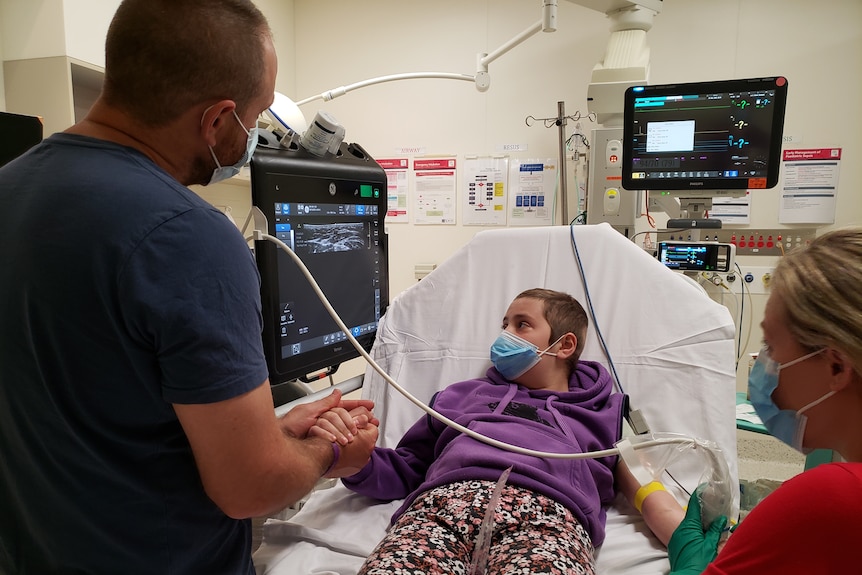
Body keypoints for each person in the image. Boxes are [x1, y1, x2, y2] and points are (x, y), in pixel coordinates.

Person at [0, 1, 377, 573]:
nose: (253, 136)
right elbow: (250, 488)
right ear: (218, 119)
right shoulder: (189, 236)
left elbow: (96, 413)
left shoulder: (11, 186)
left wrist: (268, 432)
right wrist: (332, 451)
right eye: (255, 118)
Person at [330, 288, 685, 575]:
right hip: (442, 507)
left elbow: (635, 475)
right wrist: (356, 461)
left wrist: (677, 529)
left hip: (547, 516)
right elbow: (407, 466)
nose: (505, 335)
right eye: (504, 324)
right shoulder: (461, 396)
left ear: (564, 345)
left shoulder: (602, 411)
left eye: (522, 325)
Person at [668, 227, 862, 574]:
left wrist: (691, 566)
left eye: (771, 347)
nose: (762, 364)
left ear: (836, 365)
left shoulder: (832, 497)